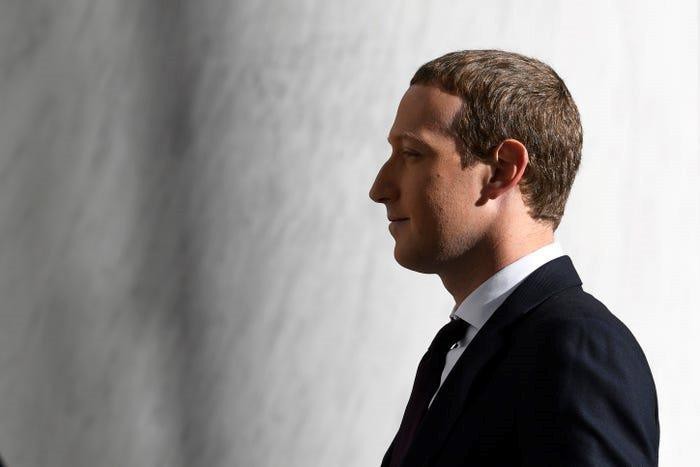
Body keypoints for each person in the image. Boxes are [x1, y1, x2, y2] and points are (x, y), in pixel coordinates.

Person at [369, 50, 659, 466]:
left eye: (412, 153)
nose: (379, 188)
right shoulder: (461, 347)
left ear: (503, 170)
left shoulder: (578, 348)